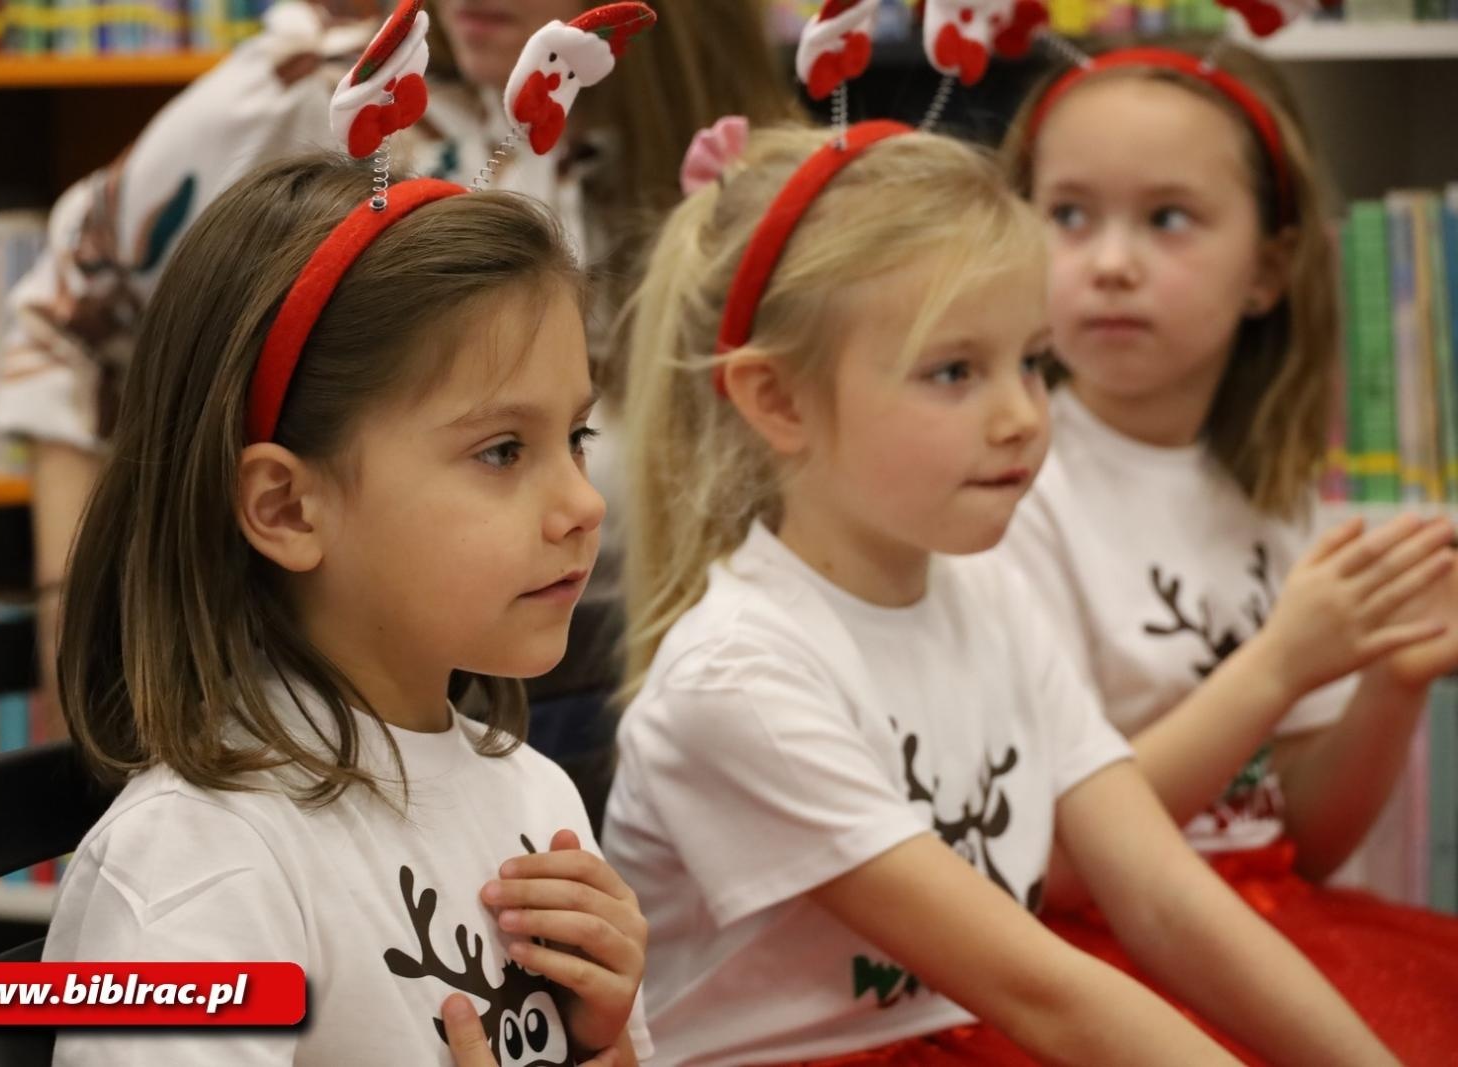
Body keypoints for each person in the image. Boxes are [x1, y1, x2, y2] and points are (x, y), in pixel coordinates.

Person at [596, 118, 1404, 1066]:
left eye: (1032, 361)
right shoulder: (737, 681)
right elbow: (1040, 988)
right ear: (777, 400)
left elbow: (1165, 899)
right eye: (954, 371)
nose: (1023, 415)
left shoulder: (990, 597)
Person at [0, 0, 798, 723]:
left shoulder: (724, 152)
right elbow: (71, 316)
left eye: (576, 436)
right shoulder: (329, 86)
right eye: (503, 450)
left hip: (625, 674)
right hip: (363, 701)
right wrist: (75, 621)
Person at [43, 153, 648, 1065]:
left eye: (576, 436)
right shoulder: (196, 861)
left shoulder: (536, 792)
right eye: (501, 451)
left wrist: (605, 1046)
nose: (584, 503)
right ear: (288, 508)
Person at [995, 44, 1458, 1063]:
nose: (1110, 262)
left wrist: (1394, 679)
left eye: (1167, 218)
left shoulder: (1271, 489)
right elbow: (1056, 863)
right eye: (1068, 214)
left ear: (1268, 270)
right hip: (1103, 953)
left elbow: (1303, 840)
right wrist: (1278, 664)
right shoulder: (1009, 489)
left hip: (1274, 923)